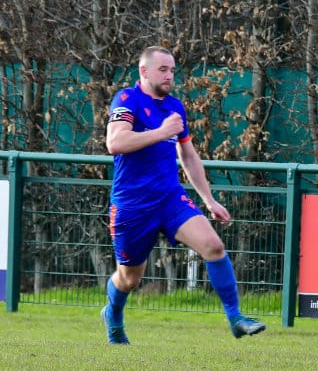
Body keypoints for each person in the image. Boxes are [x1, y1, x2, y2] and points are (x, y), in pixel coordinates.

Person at [101, 45, 265, 344]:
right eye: (163, 69)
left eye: (172, 70)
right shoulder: (126, 99)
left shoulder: (175, 107)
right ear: (144, 71)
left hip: (169, 199)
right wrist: (162, 132)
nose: (169, 76)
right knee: (130, 279)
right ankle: (112, 315)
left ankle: (236, 318)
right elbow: (115, 143)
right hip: (132, 205)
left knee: (213, 246)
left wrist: (209, 200)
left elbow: (188, 156)